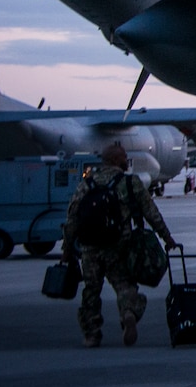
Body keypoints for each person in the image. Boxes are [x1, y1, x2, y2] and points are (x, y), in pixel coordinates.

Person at [61, 141, 177, 347]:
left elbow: (72, 219)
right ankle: (128, 313)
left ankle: (91, 334)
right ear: (115, 160)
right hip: (118, 245)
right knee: (124, 285)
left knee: (91, 290)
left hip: (90, 248)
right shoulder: (130, 183)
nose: (126, 160)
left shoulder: (87, 183)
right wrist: (166, 238)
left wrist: (67, 249)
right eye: (124, 156)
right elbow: (152, 213)